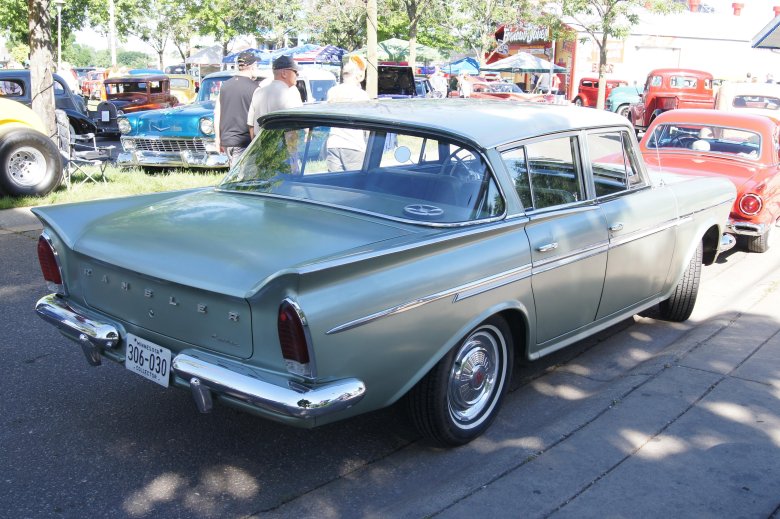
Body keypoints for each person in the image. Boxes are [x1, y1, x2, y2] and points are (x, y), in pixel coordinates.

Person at [214, 50, 259, 167]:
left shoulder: (224, 86)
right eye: (256, 65)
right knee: (241, 180)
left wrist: (217, 139)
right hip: (244, 141)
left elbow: (217, 113)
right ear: (252, 66)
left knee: (234, 175)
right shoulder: (255, 88)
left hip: (226, 140)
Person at [325, 60, 370, 171]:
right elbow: (367, 123)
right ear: (358, 76)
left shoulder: (332, 92)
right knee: (354, 185)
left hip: (333, 143)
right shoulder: (362, 95)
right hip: (354, 145)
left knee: (334, 185)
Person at [246, 55, 303, 139]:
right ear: (284, 73)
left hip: (260, 146)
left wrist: (255, 147)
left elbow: (251, 125)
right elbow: (297, 126)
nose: (297, 75)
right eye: (295, 72)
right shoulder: (291, 93)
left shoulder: (258, 92)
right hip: (281, 148)